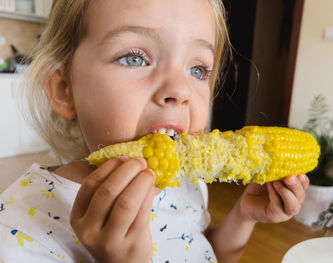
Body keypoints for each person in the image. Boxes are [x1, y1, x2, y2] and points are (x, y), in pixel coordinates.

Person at [0, 0, 310, 262]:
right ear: (64, 89)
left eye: (198, 69)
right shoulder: (18, 234)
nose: (179, 90)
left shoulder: (186, 185)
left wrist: (245, 215)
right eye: (135, 58)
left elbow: (205, 251)